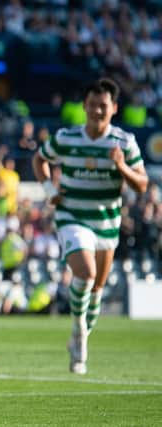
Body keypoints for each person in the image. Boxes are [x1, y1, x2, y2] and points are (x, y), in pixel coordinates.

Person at [32, 78, 148, 375]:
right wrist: (48, 190)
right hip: (72, 216)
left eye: (103, 106)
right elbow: (40, 158)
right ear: (84, 106)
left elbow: (142, 184)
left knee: (96, 290)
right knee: (85, 273)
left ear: (114, 109)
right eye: (93, 105)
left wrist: (121, 166)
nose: (97, 111)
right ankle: (79, 331)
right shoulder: (67, 137)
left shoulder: (124, 142)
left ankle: (79, 333)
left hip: (107, 223)